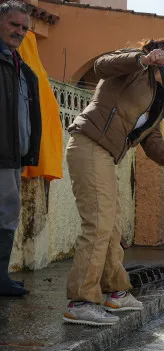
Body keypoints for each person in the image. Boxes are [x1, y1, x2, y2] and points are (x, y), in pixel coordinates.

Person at [64, 38, 164, 325]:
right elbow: (101, 66)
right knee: (98, 223)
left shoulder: (158, 96)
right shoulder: (134, 67)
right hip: (88, 143)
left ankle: (115, 292)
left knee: (111, 227)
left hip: (106, 156)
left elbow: (153, 139)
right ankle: (81, 301)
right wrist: (143, 59)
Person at [0, 0, 41, 297]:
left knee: (7, 215)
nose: (20, 32)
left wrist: (29, 153)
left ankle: (0, 277)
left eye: (24, 28)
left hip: (12, 155)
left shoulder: (23, 69)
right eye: (14, 25)